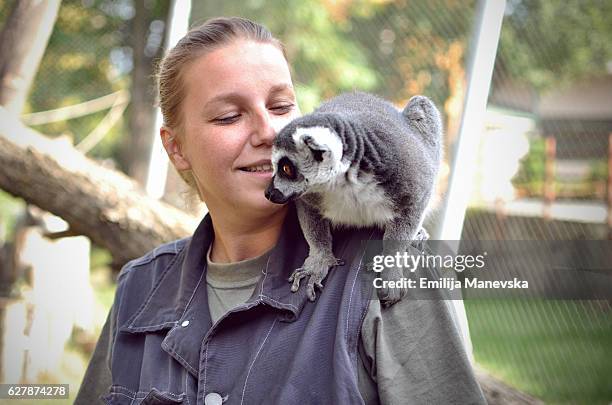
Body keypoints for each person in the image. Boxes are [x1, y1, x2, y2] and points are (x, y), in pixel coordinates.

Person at [75, 16, 485, 405]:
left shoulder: (392, 272)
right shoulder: (140, 287)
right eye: (229, 116)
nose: (270, 133)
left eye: (282, 106)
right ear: (176, 148)